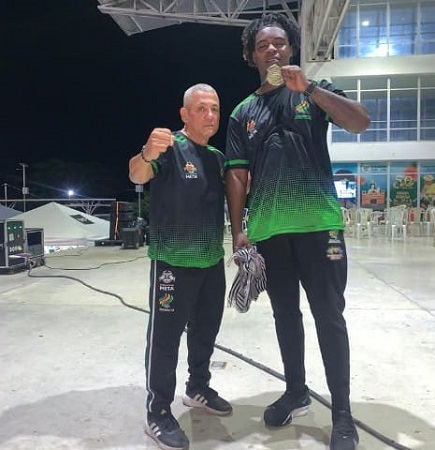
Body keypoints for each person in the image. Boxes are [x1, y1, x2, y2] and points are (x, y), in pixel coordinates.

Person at [224, 13, 370, 450]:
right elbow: (236, 175)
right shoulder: (242, 113)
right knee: (285, 315)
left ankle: (342, 414)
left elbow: (360, 122)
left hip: (319, 226)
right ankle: (295, 391)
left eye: (280, 43)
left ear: (291, 49)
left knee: (329, 315)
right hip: (269, 231)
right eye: (263, 45)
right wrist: (238, 231)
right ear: (252, 56)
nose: (273, 49)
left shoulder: (314, 93)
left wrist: (310, 89)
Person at [129, 83, 232, 450]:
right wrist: (146, 152)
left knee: (206, 330)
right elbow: (137, 174)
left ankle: (197, 388)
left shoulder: (218, 158)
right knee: (165, 339)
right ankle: (157, 411)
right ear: (185, 114)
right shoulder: (169, 147)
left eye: (215, 108)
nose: (210, 115)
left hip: (211, 260)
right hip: (172, 262)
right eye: (201, 108)